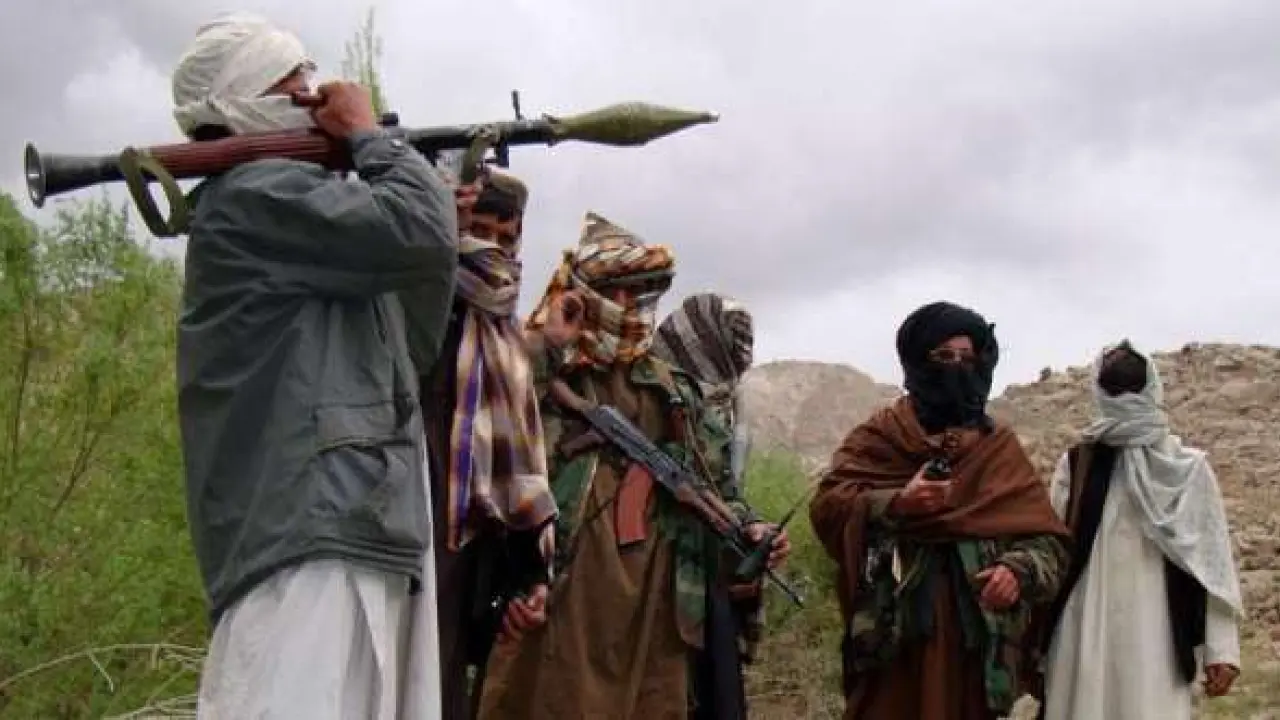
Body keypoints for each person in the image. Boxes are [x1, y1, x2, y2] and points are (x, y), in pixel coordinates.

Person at [171, 13, 470, 719]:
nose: (318, 97)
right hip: (307, 540)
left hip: (361, 525)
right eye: (298, 85)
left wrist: (417, 186)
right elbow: (422, 235)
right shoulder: (251, 200)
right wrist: (375, 142)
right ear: (254, 100)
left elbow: (415, 333)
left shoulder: (315, 220)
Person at [476, 212, 791, 720]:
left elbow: (716, 485)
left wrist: (750, 528)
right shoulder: (542, 362)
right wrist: (548, 345)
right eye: (613, 291)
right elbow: (494, 421)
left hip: (656, 598)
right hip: (566, 585)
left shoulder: (671, 388)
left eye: (638, 291)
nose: (626, 305)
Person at [808, 300, 1071, 720]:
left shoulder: (997, 448)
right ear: (917, 363)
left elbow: (1050, 542)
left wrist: (1016, 570)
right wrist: (897, 503)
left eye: (967, 358)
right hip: (895, 641)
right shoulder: (879, 438)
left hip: (978, 646)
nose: (958, 369)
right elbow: (828, 509)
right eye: (944, 357)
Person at [416, 167, 558, 720]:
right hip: (405, 542)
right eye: (478, 230)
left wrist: (529, 574)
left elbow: (518, 465)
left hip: (462, 562)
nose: (492, 248)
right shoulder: (416, 311)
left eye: (506, 238)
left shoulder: (504, 336)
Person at [1037, 341, 1243, 720]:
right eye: (1117, 388)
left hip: (1157, 634)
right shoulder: (1077, 465)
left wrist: (1222, 649)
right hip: (1083, 630)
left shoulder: (1186, 469)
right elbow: (1052, 551)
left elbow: (1212, 564)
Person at [652, 291, 760, 718]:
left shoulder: (721, 411)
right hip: (647, 581)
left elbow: (727, 489)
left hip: (704, 583)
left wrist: (751, 528)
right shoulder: (643, 388)